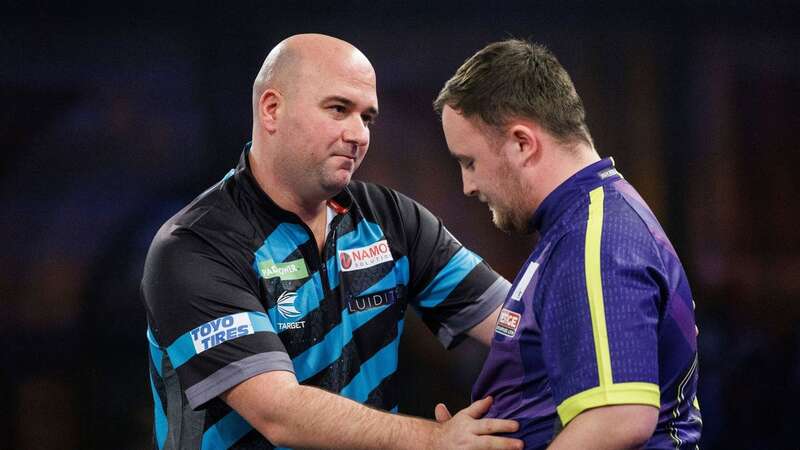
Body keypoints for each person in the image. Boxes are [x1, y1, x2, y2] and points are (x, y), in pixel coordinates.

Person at [141, 33, 524, 450]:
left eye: (367, 118)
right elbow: (279, 412)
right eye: (339, 109)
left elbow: (517, 324)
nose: (359, 134)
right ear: (272, 110)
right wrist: (436, 440)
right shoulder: (195, 246)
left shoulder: (393, 220)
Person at [433, 39, 702, 449]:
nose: (468, 185)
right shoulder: (578, 228)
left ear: (523, 143)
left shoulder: (598, 237)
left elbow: (618, 418)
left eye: (469, 162)